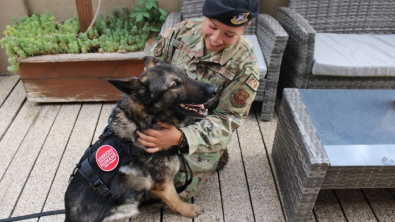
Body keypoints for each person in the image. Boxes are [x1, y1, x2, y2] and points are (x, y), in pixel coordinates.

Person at [136, 0, 260, 199]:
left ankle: (215, 154)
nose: (216, 39)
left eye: (230, 34)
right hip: (164, 116)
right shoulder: (181, 33)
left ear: (246, 28)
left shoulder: (245, 66)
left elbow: (228, 118)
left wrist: (180, 137)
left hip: (197, 131)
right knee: (121, 163)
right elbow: (151, 75)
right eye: (212, 26)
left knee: (172, 186)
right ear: (205, 17)